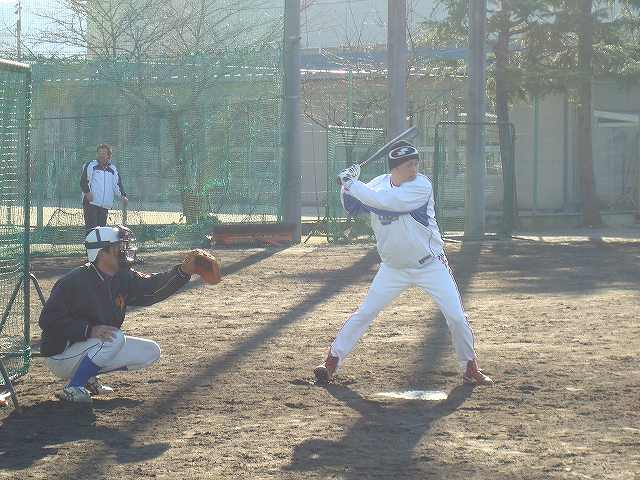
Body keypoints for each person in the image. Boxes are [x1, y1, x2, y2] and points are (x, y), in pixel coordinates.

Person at [314, 142, 493, 386]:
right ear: (395, 168)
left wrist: (353, 184)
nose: (414, 169)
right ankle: (331, 362)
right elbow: (352, 207)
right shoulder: (376, 185)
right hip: (393, 268)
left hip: (430, 265)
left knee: (456, 317)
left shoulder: (421, 186)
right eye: (409, 165)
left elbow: (389, 203)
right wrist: (346, 186)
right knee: (365, 312)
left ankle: (470, 367)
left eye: (415, 164)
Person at [38, 225, 221, 403]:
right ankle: (74, 386)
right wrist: (89, 330)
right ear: (102, 253)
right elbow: (48, 320)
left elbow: (152, 289)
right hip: (61, 354)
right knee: (114, 338)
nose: (124, 250)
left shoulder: (122, 276)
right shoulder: (74, 281)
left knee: (150, 351)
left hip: (86, 349)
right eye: (118, 247)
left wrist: (182, 272)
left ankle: (87, 377)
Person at [80, 144, 128, 233]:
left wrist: (123, 196)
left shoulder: (113, 169)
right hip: (91, 204)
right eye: (99, 153)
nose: (101, 155)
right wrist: (87, 192)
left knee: (101, 233)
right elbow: (83, 181)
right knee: (92, 232)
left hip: (105, 206)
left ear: (109, 155)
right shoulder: (90, 165)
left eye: (103, 153)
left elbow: (117, 185)